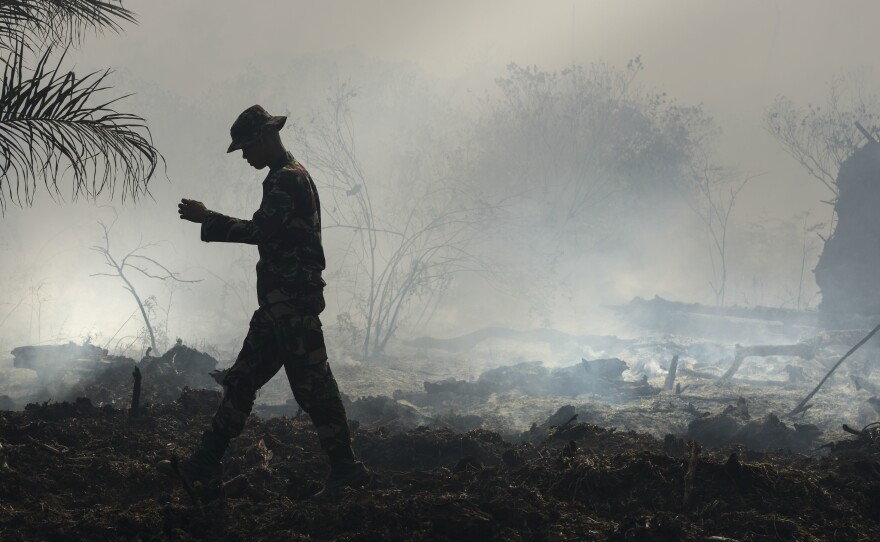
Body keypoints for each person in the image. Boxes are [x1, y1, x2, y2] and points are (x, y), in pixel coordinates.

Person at [157, 104, 369, 496]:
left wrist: (208, 218)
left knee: (315, 390)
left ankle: (346, 468)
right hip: (279, 306)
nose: (245, 156)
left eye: (247, 148)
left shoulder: (287, 180)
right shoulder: (285, 176)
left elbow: (260, 232)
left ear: (266, 138)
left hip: (291, 306)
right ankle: (205, 462)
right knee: (242, 380)